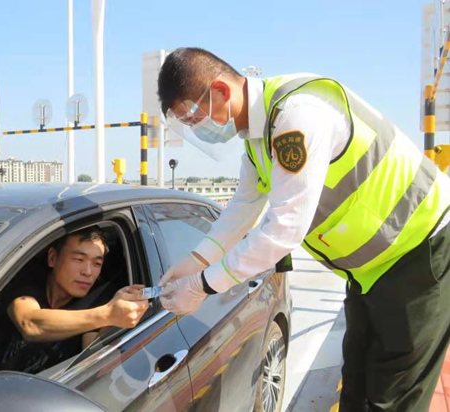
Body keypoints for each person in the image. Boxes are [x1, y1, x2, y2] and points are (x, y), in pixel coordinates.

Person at [157, 47, 450, 411]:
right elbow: (241, 210)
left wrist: (202, 285)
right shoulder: (256, 140)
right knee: (356, 381)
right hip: (370, 269)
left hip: (419, 248)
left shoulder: (297, 115)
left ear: (220, 90)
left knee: (396, 393)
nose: (198, 128)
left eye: (194, 117)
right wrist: (195, 260)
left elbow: (284, 229)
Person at [2, 228, 149, 374]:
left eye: (97, 263)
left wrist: (114, 319)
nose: (88, 272)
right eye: (79, 259)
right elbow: (29, 323)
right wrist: (107, 314)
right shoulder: (29, 279)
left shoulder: (98, 298)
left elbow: (92, 360)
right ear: (52, 258)